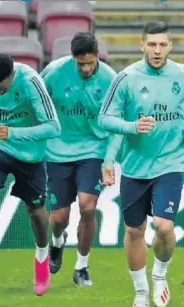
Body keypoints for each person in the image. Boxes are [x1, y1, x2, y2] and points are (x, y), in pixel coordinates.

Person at [97, 21, 184, 307]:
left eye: (163, 45)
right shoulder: (126, 78)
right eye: (152, 45)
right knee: (134, 231)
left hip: (171, 162)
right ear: (142, 46)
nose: (157, 51)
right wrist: (131, 126)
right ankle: (141, 292)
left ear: (170, 46)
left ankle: (159, 274)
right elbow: (104, 119)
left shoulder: (183, 75)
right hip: (135, 167)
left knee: (164, 225)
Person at [0, 53, 61, 300]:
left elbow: (53, 127)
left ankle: (41, 255)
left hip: (30, 154)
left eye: (2, 87)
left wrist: (13, 133)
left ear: (12, 76)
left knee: (36, 213)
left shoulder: (30, 81)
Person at [41, 32, 117, 286]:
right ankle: (57, 242)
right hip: (57, 151)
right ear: (73, 59)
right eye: (80, 63)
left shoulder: (110, 80)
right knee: (59, 218)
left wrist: (109, 161)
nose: (85, 69)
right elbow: (36, 103)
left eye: (89, 63)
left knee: (87, 206)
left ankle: (82, 267)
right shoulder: (53, 73)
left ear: (97, 56)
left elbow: (117, 122)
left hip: (93, 150)